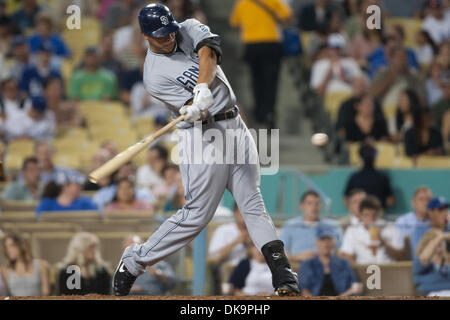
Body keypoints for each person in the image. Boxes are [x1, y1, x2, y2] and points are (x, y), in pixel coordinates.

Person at [113, 3, 299, 297]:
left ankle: (282, 272)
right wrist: (193, 108)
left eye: (169, 31)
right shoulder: (154, 76)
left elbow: (208, 50)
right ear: (146, 37)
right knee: (197, 216)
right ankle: (134, 260)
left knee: (251, 199)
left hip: (234, 123)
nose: (168, 38)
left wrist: (201, 86)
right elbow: (197, 111)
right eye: (160, 36)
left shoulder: (185, 27)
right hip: (202, 135)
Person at [229, 0, 292, 128]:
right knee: (271, 81)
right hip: (271, 43)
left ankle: (259, 113)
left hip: (252, 45)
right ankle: (269, 112)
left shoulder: (242, 3)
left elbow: (234, 23)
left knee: (256, 80)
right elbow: (287, 16)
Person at [280, 190, 343, 263]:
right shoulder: (290, 226)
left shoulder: (332, 226)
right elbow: (281, 255)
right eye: (310, 203)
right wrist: (297, 257)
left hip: (327, 266)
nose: (314, 207)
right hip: (298, 267)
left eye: (317, 203)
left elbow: (341, 252)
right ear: (302, 206)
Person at [339, 196, 405, 264]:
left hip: (388, 269)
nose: (371, 219)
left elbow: (402, 257)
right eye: (366, 215)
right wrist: (358, 271)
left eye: (374, 215)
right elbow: (347, 256)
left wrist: (385, 244)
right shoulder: (352, 230)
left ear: (380, 214)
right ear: (361, 216)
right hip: (363, 270)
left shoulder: (390, 227)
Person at [299, 228, 361, 296]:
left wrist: (341, 297)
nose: (326, 243)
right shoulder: (308, 264)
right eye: (322, 240)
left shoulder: (343, 263)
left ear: (334, 243)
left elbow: (355, 286)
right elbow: (303, 288)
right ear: (316, 243)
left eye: (329, 240)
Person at [413, 196, 450, 296]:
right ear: (431, 212)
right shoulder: (421, 230)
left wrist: (443, 236)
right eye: (440, 210)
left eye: (446, 209)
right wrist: (436, 241)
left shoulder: (448, 229)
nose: (445, 212)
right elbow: (420, 261)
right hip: (430, 287)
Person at [310, 33, 363, 97]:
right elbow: (318, 92)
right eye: (332, 47)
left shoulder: (351, 62)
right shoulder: (318, 65)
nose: (335, 51)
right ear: (327, 48)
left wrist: (346, 79)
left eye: (338, 48)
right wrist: (329, 72)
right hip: (331, 98)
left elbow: (360, 85)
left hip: (350, 96)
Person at [344, 143, 395, 208]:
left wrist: (355, 209)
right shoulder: (383, 177)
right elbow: (390, 201)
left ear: (360, 157)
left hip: (369, 214)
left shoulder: (354, 177)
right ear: (375, 158)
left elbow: (346, 200)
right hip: (377, 214)